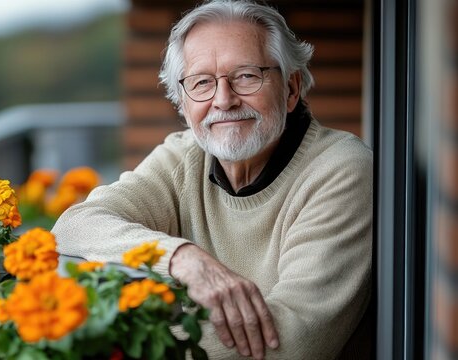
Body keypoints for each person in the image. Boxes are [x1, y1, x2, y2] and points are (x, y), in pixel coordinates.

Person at [52, 0, 373, 359]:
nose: (224, 100)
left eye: (247, 76)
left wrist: (122, 343)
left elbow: (292, 341)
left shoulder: (341, 169)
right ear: (183, 103)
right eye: (202, 82)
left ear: (291, 88)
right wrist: (183, 259)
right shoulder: (183, 155)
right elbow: (75, 225)